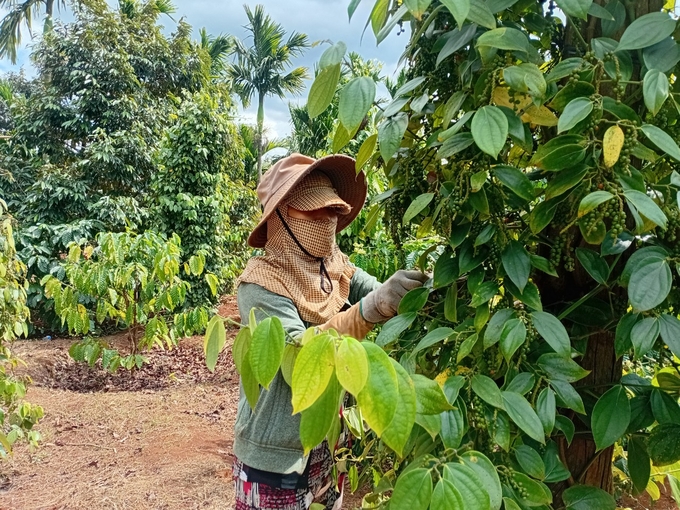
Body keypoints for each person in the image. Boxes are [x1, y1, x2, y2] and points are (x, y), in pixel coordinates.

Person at [233, 153, 428, 510]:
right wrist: (372, 309)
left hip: (327, 441)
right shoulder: (259, 285)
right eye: (314, 210)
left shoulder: (335, 267)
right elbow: (301, 352)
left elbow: (377, 291)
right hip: (274, 452)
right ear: (281, 216)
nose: (327, 221)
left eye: (333, 211)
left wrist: (415, 290)